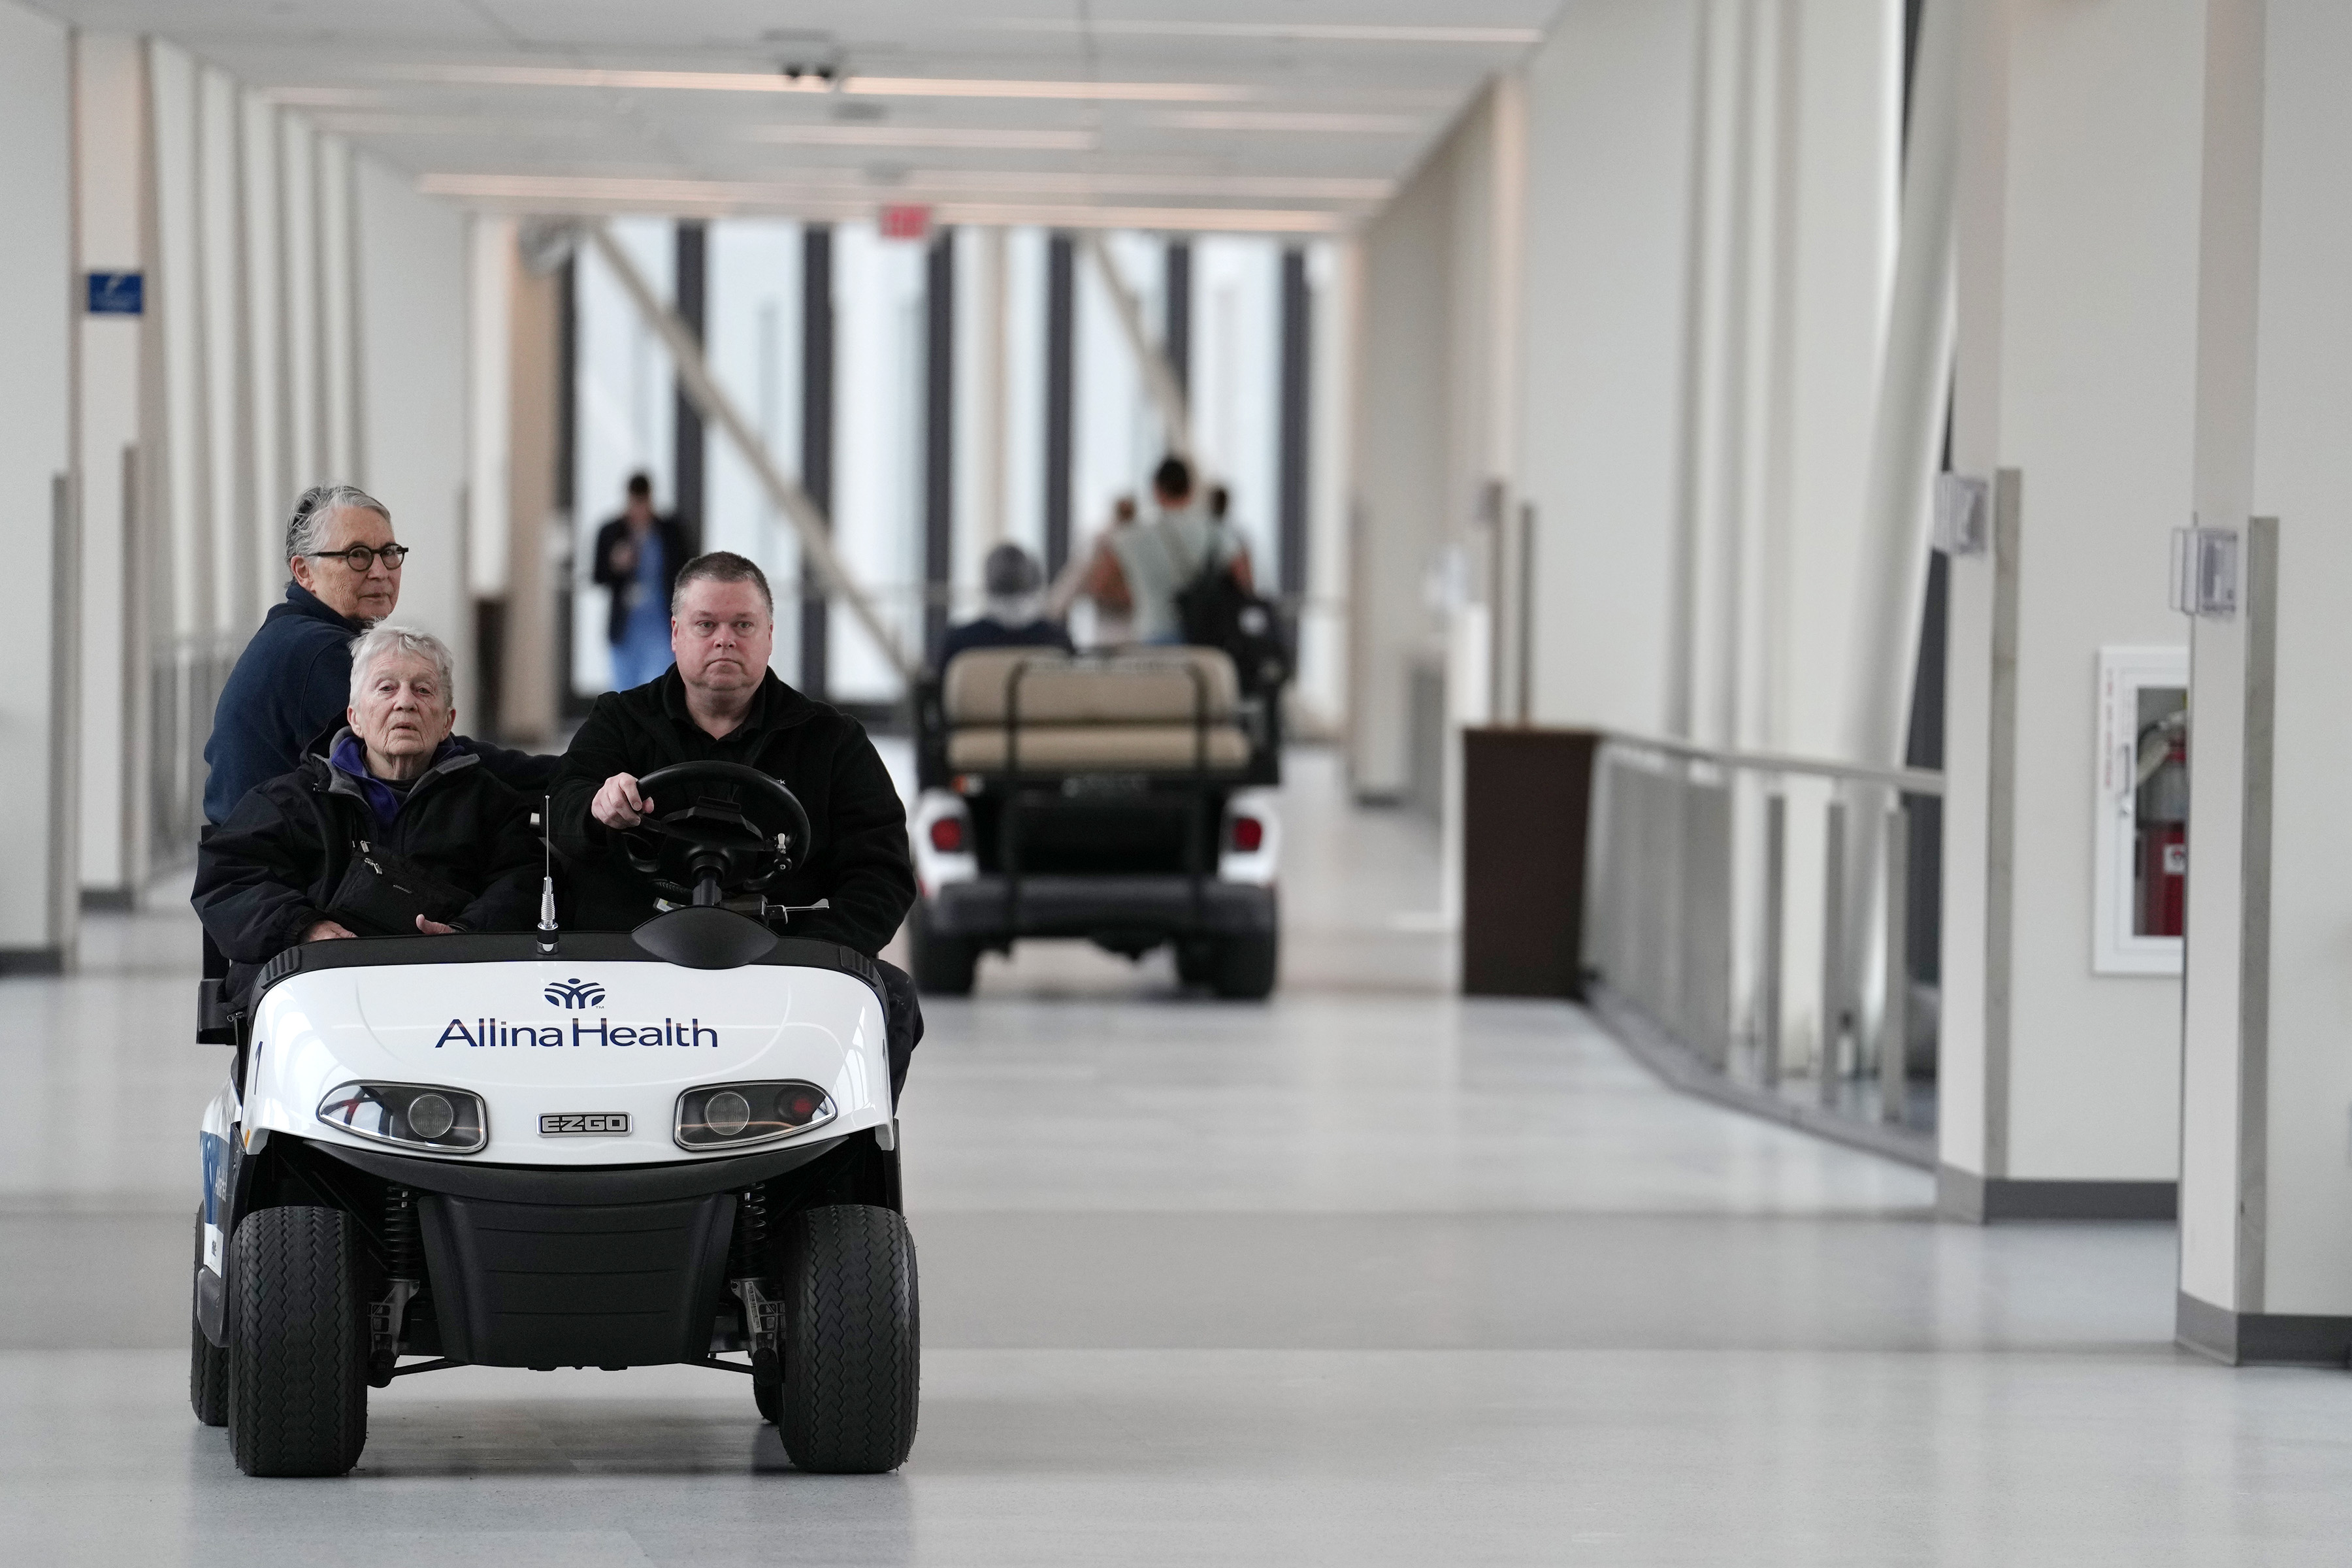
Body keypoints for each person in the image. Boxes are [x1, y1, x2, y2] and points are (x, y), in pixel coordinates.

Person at [549, 551, 923, 1094]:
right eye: (706, 625)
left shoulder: (832, 742)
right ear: (676, 634)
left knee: (892, 1000)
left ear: (769, 636)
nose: (724, 639)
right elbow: (559, 809)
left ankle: (834, 1158)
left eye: (742, 625)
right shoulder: (619, 722)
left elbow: (883, 874)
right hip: (632, 956)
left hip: (780, 959)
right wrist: (596, 808)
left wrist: (818, 955)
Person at [193, 627, 542, 999]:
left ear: (447, 723)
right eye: (386, 688)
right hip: (318, 995)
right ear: (355, 718)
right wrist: (306, 929)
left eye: (423, 690)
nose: (405, 703)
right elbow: (229, 880)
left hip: (449, 997)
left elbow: (524, 881)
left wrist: (465, 936)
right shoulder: (290, 802)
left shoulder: (489, 804)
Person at [203, 483, 554, 826]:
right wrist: (562, 778)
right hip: (269, 870)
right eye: (357, 555)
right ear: (304, 572)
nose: (380, 571)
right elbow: (427, 756)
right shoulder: (317, 650)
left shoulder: (294, 632)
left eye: (388, 553)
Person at [1077, 455, 1254, 645]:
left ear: (1156, 490)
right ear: (1191, 489)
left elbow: (1098, 583)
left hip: (1155, 636)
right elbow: (1243, 578)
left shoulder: (1133, 536)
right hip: (1208, 637)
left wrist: (1137, 595)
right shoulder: (1214, 530)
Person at [593, 471, 696, 691]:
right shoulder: (611, 532)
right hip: (626, 627)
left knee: (660, 688)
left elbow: (690, 572)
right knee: (624, 692)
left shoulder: (671, 532)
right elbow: (598, 576)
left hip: (660, 622)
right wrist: (616, 565)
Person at [939, 543, 1074, 664]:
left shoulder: (960, 642)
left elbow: (942, 689)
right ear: (1034, 580)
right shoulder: (1056, 639)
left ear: (987, 582)